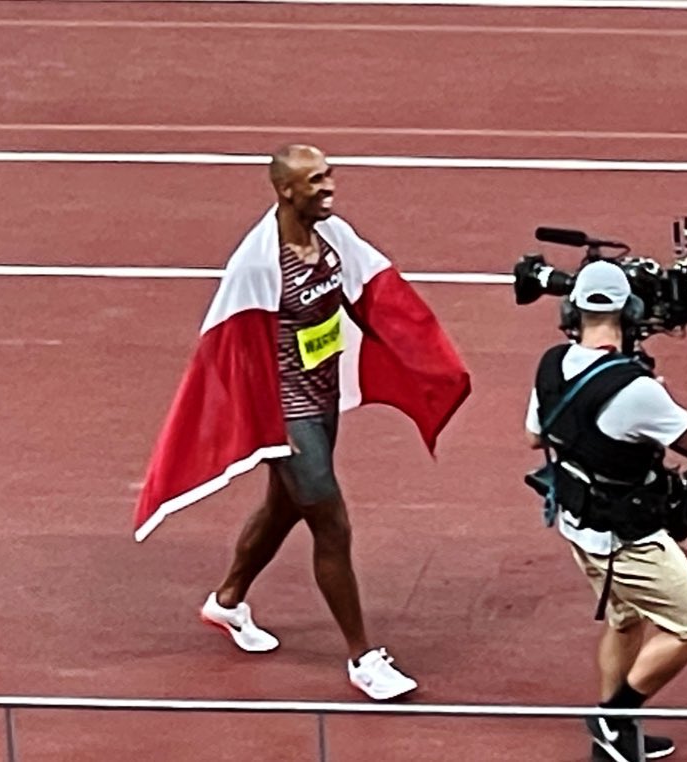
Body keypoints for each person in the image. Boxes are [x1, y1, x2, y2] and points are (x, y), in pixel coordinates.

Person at [133, 144, 470, 702]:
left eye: (329, 176)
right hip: (285, 409)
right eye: (316, 181)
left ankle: (227, 600)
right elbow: (230, 348)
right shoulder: (260, 263)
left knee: (284, 507)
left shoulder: (334, 237)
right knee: (330, 523)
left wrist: (416, 357)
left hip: (323, 395)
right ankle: (364, 659)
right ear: (285, 191)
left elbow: (373, 295)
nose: (329, 188)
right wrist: (263, 424)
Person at [524, 261, 687, 762]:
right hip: (624, 536)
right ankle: (614, 714)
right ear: (631, 313)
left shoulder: (550, 365)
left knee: (625, 618)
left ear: (572, 312)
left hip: (575, 523)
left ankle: (613, 738)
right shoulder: (637, 390)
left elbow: (534, 435)